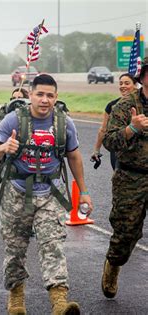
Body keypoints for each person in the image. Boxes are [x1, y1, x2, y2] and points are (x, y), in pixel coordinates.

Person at [0, 74, 92, 315]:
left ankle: (59, 302)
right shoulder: (13, 120)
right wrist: (4, 147)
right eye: (40, 94)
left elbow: (74, 156)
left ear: (56, 98)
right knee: (15, 248)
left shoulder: (65, 123)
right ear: (30, 95)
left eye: (50, 95)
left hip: (50, 192)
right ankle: (16, 298)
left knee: (52, 244)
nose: (45, 100)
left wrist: (84, 192)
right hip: (17, 192)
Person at [101, 58, 148, 299]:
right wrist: (132, 128)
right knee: (126, 233)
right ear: (143, 77)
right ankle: (113, 265)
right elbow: (109, 141)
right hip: (131, 177)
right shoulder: (125, 105)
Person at [91, 73, 138, 170]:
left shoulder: (142, 104)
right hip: (118, 150)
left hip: (139, 151)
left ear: (135, 85)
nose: (123, 86)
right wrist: (96, 150)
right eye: (121, 84)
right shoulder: (112, 106)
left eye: (127, 83)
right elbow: (103, 129)